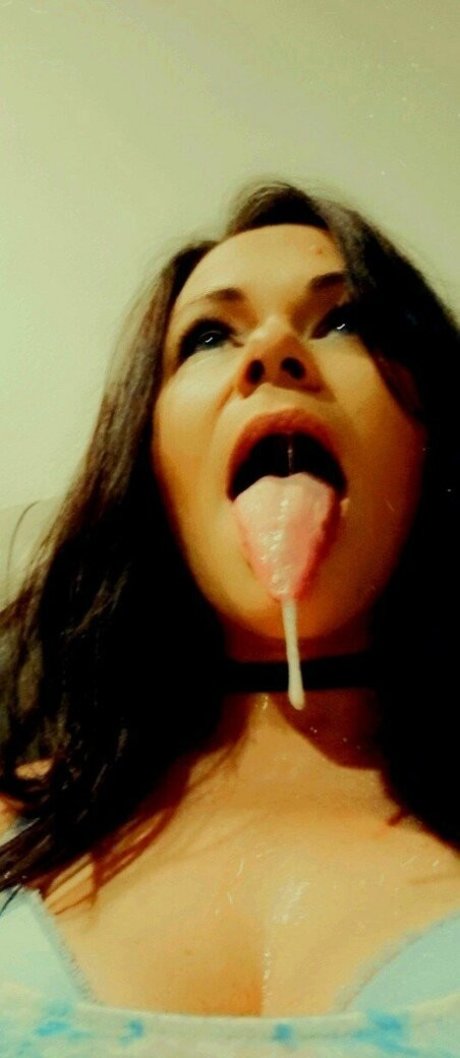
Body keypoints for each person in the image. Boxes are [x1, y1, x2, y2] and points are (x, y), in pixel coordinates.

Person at [0, 181, 459, 1056]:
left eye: (342, 320)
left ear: (433, 435)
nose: (274, 350)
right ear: (151, 459)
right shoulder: (11, 831)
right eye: (210, 336)